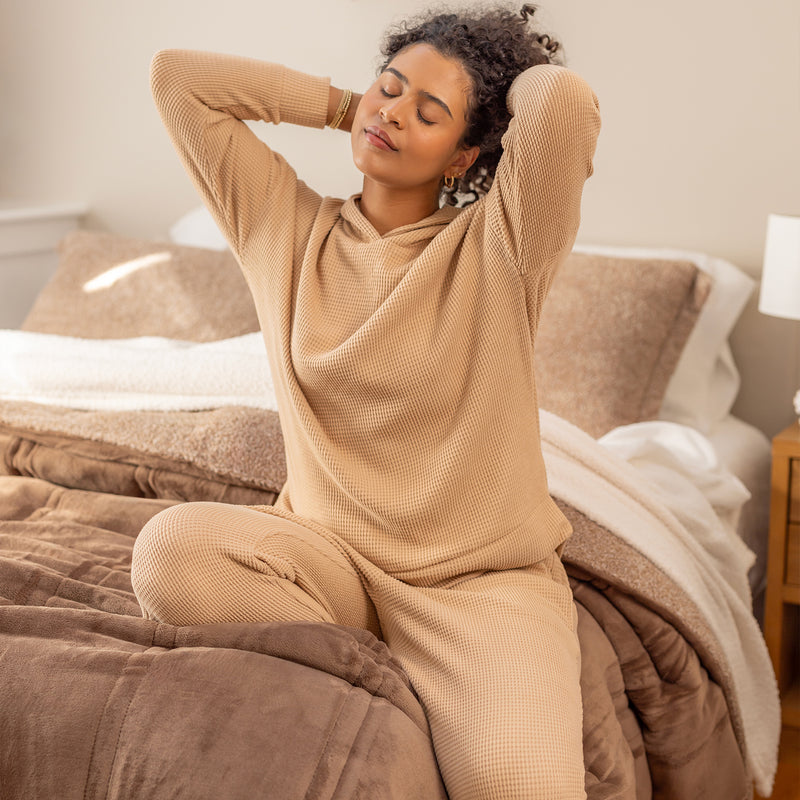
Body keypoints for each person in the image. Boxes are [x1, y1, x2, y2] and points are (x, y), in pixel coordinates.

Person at [132, 4, 601, 798]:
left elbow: (561, 104)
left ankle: (425, 688)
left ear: (465, 157)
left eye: (430, 113)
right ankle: (381, 673)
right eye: (388, 89)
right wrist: (350, 108)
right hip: (328, 564)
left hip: (479, 589)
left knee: (522, 784)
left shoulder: (502, 246)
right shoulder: (281, 229)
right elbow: (178, 80)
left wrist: (488, 80)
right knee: (171, 549)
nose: (393, 112)